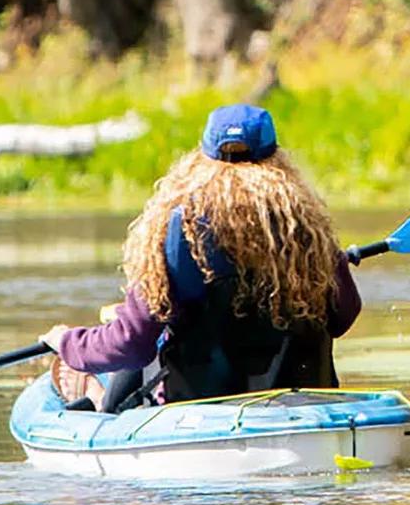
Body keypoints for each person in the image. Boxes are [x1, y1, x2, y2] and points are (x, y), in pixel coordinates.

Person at [42, 103, 361, 407]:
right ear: (278, 161)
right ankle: (95, 392)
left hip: (201, 408)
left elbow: (132, 344)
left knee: (150, 350)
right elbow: (343, 316)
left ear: (200, 162)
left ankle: (96, 395)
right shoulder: (305, 231)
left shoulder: (181, 232)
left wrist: (69, 343)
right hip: (301, 403)